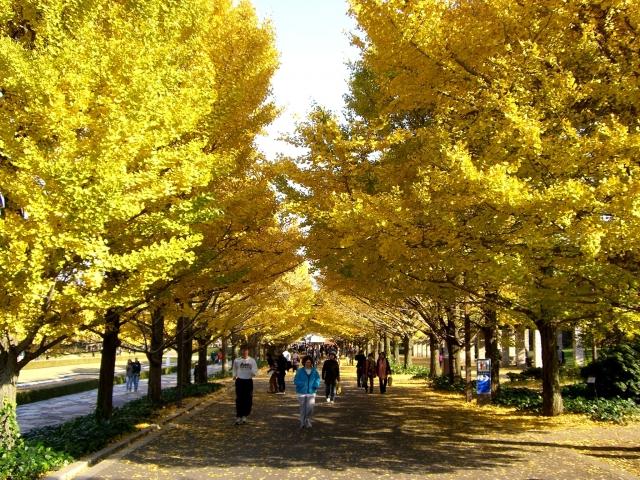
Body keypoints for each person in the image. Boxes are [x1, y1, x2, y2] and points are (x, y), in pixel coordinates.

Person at [232, 345, 258, 425]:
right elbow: (234, 369)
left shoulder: (252, 360)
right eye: (243, 350)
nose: (244, 352)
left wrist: (251, 368)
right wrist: (234, 375)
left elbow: (255, 373)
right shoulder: (237, 360)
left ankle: (245, 415)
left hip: (248, 381)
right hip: (240, 381)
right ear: (241, 351)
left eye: (246, 350)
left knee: (248, 399)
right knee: (239, 399)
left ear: (248, 351)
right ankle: (239, 416)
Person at [293, 355, 321, 428]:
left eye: (309, 362)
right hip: (301, 392)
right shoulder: (300, 371)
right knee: (303, 408)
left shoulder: (314, 371)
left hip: (311, 391)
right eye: (306, 362)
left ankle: (308, 420)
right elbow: (295, 381)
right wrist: (302, 384)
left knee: (310, 407)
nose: (308, 364)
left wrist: (316, 385)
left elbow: (318, 378)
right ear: (304, 363)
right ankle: (302, 422)